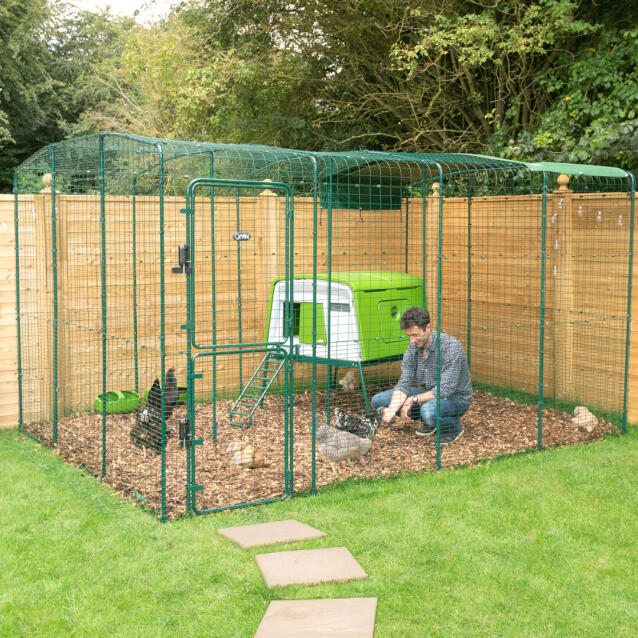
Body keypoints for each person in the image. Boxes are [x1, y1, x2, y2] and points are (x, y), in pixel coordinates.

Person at [371, 306, 472, 444]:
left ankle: (452, 428)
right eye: (409, 336)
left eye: (415, 335)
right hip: (426, 394)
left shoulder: (450, 347)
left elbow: (446, 389)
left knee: (429, 410)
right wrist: (392, 410)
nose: (411, 340)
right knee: (378, 401)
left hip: (454, 399)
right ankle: (430, 422)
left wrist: (412, 400)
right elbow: (404, 382)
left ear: (428, 327)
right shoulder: (413, 348)